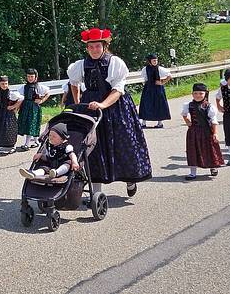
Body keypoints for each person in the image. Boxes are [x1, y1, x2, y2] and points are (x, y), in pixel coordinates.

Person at [66, 27, 152, 198]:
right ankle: (96, 193)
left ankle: (130, 179)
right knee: (93, 148)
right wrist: (78, 104)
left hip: (116, 108)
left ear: (104, 46)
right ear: (87, 48)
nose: (94, 50)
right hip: (92, 108)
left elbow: (118, 90)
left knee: (124, 144)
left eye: (97, 46)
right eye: (91, 47)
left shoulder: (115, 63)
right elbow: (73, 83)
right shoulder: (80, 65)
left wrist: (103, 105)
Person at [181, 83, 224, 180]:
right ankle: (192, 172)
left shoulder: (209, 106)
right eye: (195, 93)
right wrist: (187, 121)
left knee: (210, 149)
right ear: (192, 94)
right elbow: (184, 114)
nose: (198, 95)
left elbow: (213, 121)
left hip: (206, 131)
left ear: (205, 94)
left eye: (201, 93)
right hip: (193, 132)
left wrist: (215, 133)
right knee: (192, 151)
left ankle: (213, 167)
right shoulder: (188, 105)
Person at [17, 69, 50, 150]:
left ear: (36, 77)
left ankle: (27, 144)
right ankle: (36, 142)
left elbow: (48, 93)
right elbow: (20, 98)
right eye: (28, 76)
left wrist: (41, 100)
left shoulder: (39, 87)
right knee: (27, 124)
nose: (30, 78)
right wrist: (17, 107)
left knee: (31, 124)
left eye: (32, 76)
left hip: (34, 107)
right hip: (25, 107)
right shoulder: (23, 87)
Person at [138, 54, 172, 128]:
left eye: (156, 60)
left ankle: (160, 123)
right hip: (148, 88)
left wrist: (162, 82)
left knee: (159, 104)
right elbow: (145, 78)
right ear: (150, 61)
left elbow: (169, 75)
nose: (155, 62)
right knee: (145, 104)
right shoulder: (145, 69)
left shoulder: (160, 69)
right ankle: (143, 122)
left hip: (158, 89)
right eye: (153, 60)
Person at [0, 76, 22, 156]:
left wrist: (13, 106)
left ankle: (12, 147)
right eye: (2, 84)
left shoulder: (12, 94)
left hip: (9, 114)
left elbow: (21, 99)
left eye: (6, 84)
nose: (4, 85)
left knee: (10, 130)